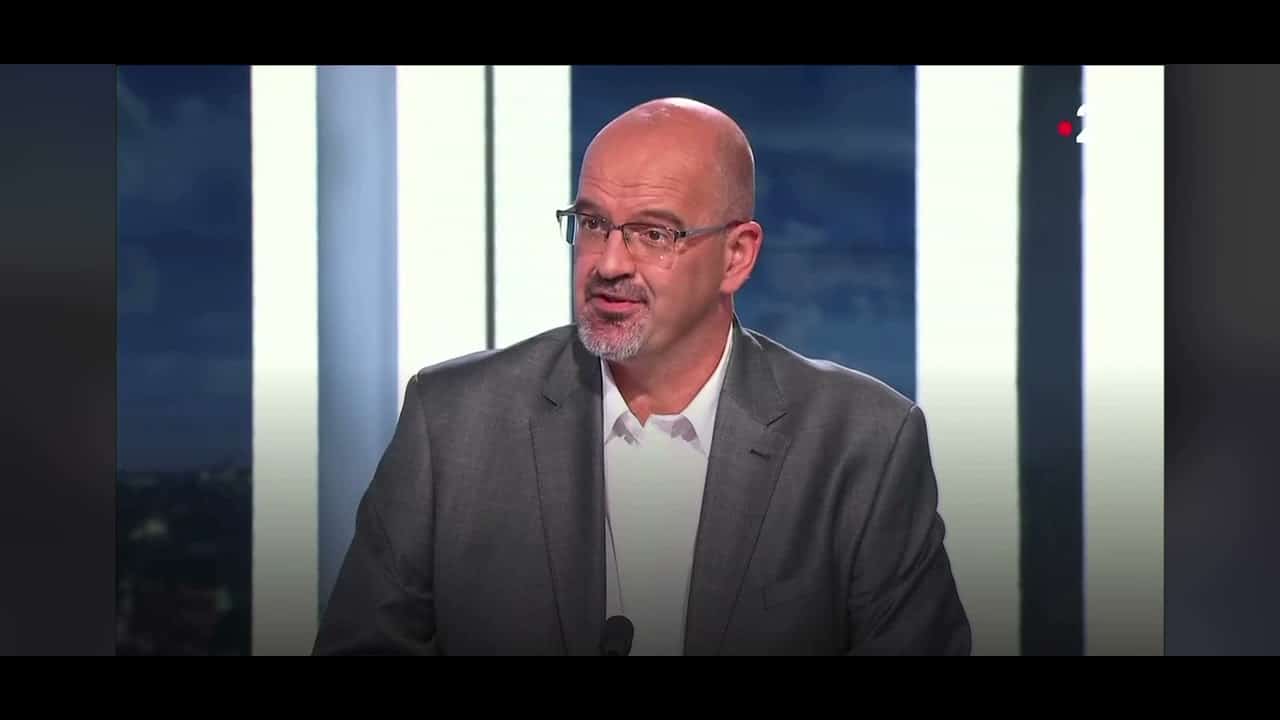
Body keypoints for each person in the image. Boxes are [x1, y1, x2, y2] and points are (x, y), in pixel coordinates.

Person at [313, 97, 971, 656]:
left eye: (654, 234)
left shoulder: (861, 444)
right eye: (593, 225)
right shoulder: (453, 423)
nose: (609, 263)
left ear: (737, 256)